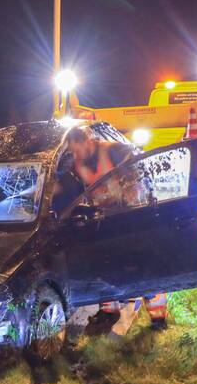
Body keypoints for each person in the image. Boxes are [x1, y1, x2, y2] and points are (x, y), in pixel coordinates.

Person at [63, 126, 169, 340]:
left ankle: (158, 317)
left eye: (78, 149)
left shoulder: (115, 151)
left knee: (142, 270)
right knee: (107, 268)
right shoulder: (77, 165)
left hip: (132, 219)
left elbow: (141, 177)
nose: (77, 155)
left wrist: (136, 204)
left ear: (88, 141)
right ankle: (109, 312)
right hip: (105, 221)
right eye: (73, 152)